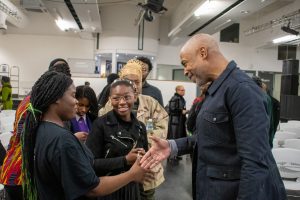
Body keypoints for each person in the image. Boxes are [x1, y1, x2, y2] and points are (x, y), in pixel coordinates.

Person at [140, 33, 286, 200]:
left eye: (185, 63)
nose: (185, 71)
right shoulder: (217, 90)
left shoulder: (241, 90)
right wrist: (172, 146)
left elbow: (255, 163)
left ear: (203, 53)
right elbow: (211, 137)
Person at [21, 71, 148, 200]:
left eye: (127, 97)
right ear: (56, 98)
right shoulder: (63, 139)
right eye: (73, 95)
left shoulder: (43, 129)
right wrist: (131, 174)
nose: (76, 102)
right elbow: (92, 188)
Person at [0, 58, 71, 200]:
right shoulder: (43, 106)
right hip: (26, 175)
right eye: (71, 93)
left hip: (12, 171)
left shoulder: (32, 98)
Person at [99, 59, 168, 200]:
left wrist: (142, 142)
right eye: (128, 81)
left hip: (147, 171)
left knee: (146, 196)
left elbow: (161, 127)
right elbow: (103, 132)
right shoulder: (110, 106)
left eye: (137, 82)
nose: (133, 86)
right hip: (119, 172)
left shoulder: (150, 104)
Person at [86, 79, 149, 200]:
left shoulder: (140, 127)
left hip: (132, 190)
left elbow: (143, 162)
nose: (122, 102)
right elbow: (91, 163)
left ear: (134, 97)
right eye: (116, 98)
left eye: (127, 97)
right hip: (108, 189)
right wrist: (124, 160)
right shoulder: (100, 125)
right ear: (110, 99)